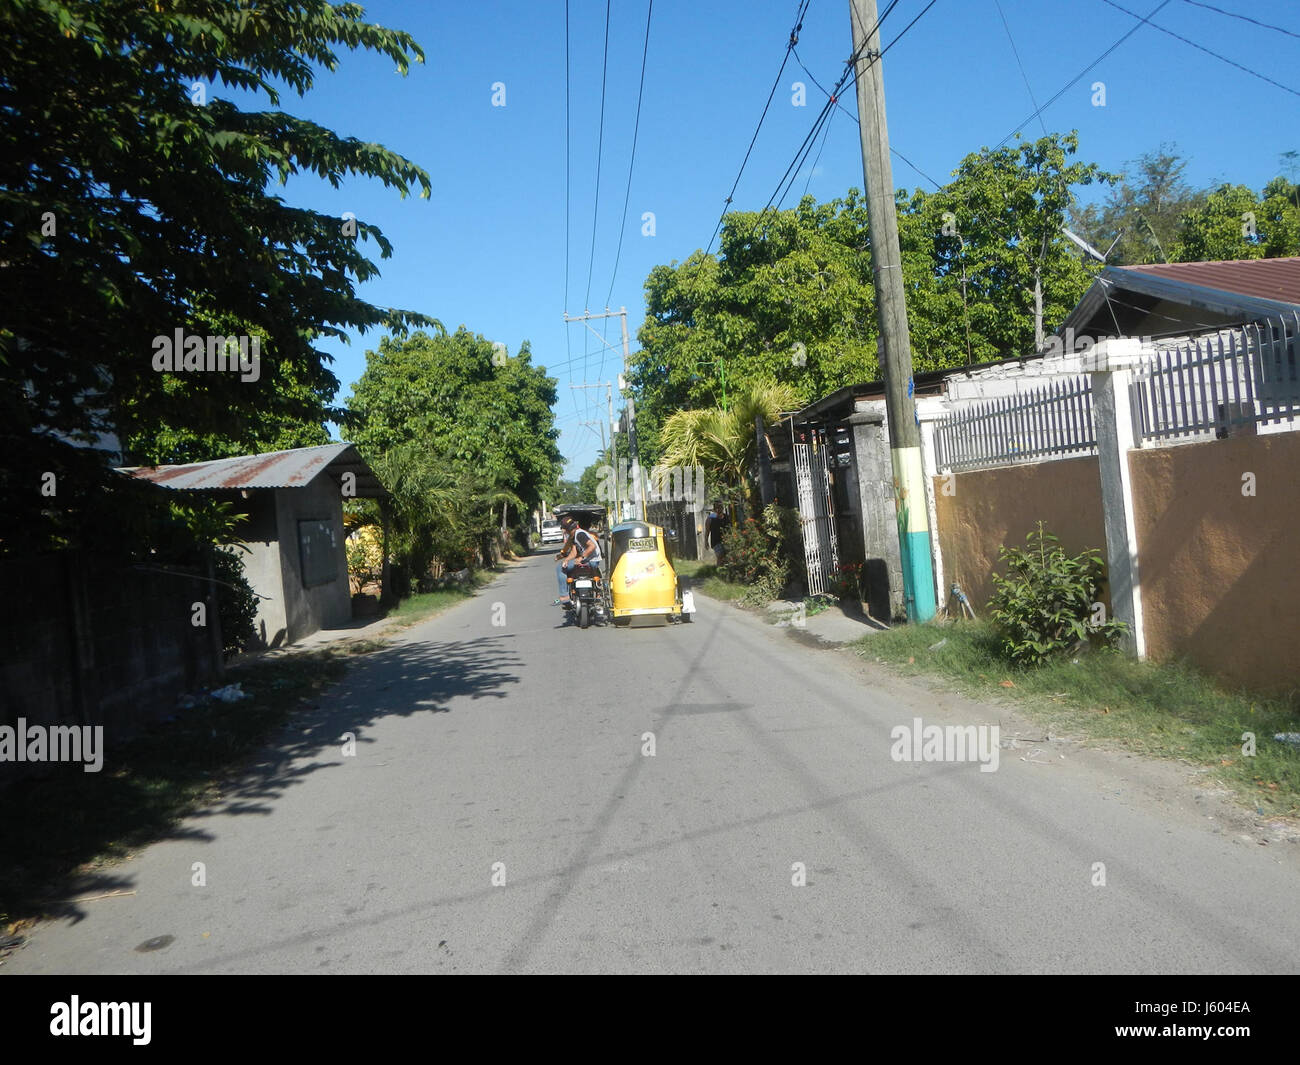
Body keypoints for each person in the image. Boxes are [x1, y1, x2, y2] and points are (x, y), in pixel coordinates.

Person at [554, 515, 603, 606]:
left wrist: (581, 557)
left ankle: (564, 596)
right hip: (589, 561)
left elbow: (592, 546)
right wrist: (567, 560)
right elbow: (573, 552)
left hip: (591, 561)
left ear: (566, 529)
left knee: (559, 568)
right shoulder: (574, 536)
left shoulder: (580, 534)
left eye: (563, 529)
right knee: (563, 565)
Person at [705, 500, 730, 565]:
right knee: (720, 556)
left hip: (726, 540)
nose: (718, 509)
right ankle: (719, 571)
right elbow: (707, 531)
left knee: (727, 558)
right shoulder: (710, 518)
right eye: (716, 507)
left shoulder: (727, 517)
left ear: (722, 508)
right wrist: (706, 542)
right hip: (716, 542)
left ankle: (724, 571)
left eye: (720, 507)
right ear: (714, 509)